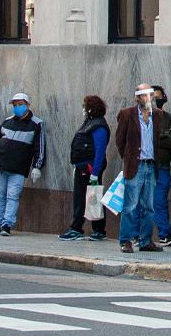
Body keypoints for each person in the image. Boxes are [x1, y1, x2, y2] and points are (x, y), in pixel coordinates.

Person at [0, 93, 46, 236]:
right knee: (0, 196)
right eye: (15, 105)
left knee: (13, 196)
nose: (17, 107)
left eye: (20, 104)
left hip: (19, 167)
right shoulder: (7, 122)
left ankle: (7, 224)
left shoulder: (37, 124)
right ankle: (1, 223)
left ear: (28, 105)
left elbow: (40, 147)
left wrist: (37, 166)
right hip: (1, 164)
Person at [116, 83, 164, 253]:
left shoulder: (157, 115)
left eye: (150, 95)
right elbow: (120, 141)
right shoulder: (127, 114)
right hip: (136, 164)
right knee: (130, 205)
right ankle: (125, 240)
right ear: (137, 98)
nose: (148, 98)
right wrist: (128, 159)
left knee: (149, 206)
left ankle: (145, 240)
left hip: (151, 165)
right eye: (143, 95)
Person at [59, 95, 111, 241]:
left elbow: (100, 151)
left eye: (84, 106)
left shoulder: (98, 126)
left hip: (89, 168)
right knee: (89, 196)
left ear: (90, 108)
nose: (83, 109)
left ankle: (79, 228)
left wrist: (95, 172)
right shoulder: (90, 123)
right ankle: (97, 230)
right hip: (83, 167)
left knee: (86, 197)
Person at [152, 85, 171, 247]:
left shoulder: (170, 119)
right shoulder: (140, 118)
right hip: (145, 165)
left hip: (162, 165)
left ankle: (165, 233)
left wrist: (156, 136)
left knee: (159, 200)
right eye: (153, 97)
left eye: (159, 97)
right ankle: (136, 234)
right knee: (139, 201)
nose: (157, 100)